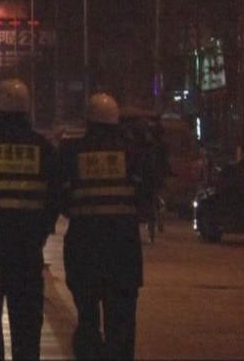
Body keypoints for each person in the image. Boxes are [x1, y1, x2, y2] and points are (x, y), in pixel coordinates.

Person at [0, 78, 60, 361]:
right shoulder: (43, 148)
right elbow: (54, 198)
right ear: (27, 109)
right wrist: (40, 233)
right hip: (27, 252)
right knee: (26, 330)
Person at [60, 93, 148, 360]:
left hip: (84, 250)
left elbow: (62, 200)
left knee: (87, 320)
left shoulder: (72, 152)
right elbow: (145, 198)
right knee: (121, 325)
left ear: (88, 121)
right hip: (123, 252)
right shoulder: (132, 153)